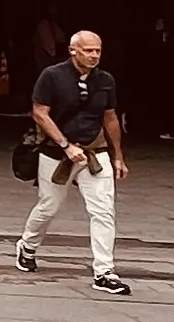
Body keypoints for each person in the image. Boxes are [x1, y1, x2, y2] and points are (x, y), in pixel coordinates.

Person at [16, 28, 129, 293]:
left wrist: (118, 157)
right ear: (73, 50)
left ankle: (104, 271)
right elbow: (39, 113)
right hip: (57, 153)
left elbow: (110, 117)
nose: (94, 55)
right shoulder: (52, 76)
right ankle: (28, 245)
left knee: (103, 211)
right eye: (88, 50)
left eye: (98, 51)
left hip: (94, 152)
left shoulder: (105, 80)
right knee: (49, 206)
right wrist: (65, 145)